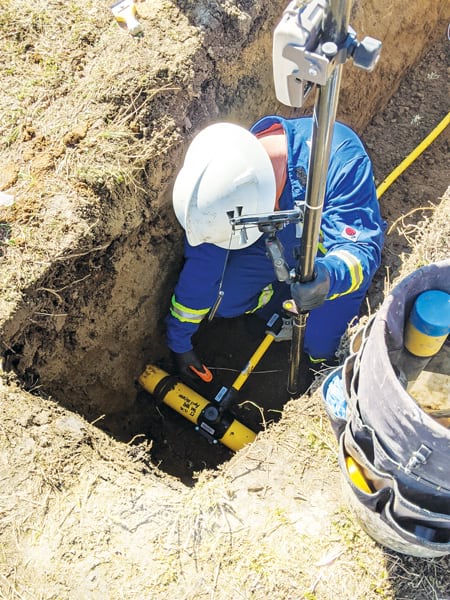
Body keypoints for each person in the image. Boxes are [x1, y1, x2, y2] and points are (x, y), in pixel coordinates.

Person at [165, 115, 386, 388]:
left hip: (327, 265)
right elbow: (203, 270)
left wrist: (327, 277)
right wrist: (180, 342)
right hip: (276, 245)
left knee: (319, 345)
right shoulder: (219, 188)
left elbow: (360, 250)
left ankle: (318, 371)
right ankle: (279, 307)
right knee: (224, 299)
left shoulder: (339, 159)